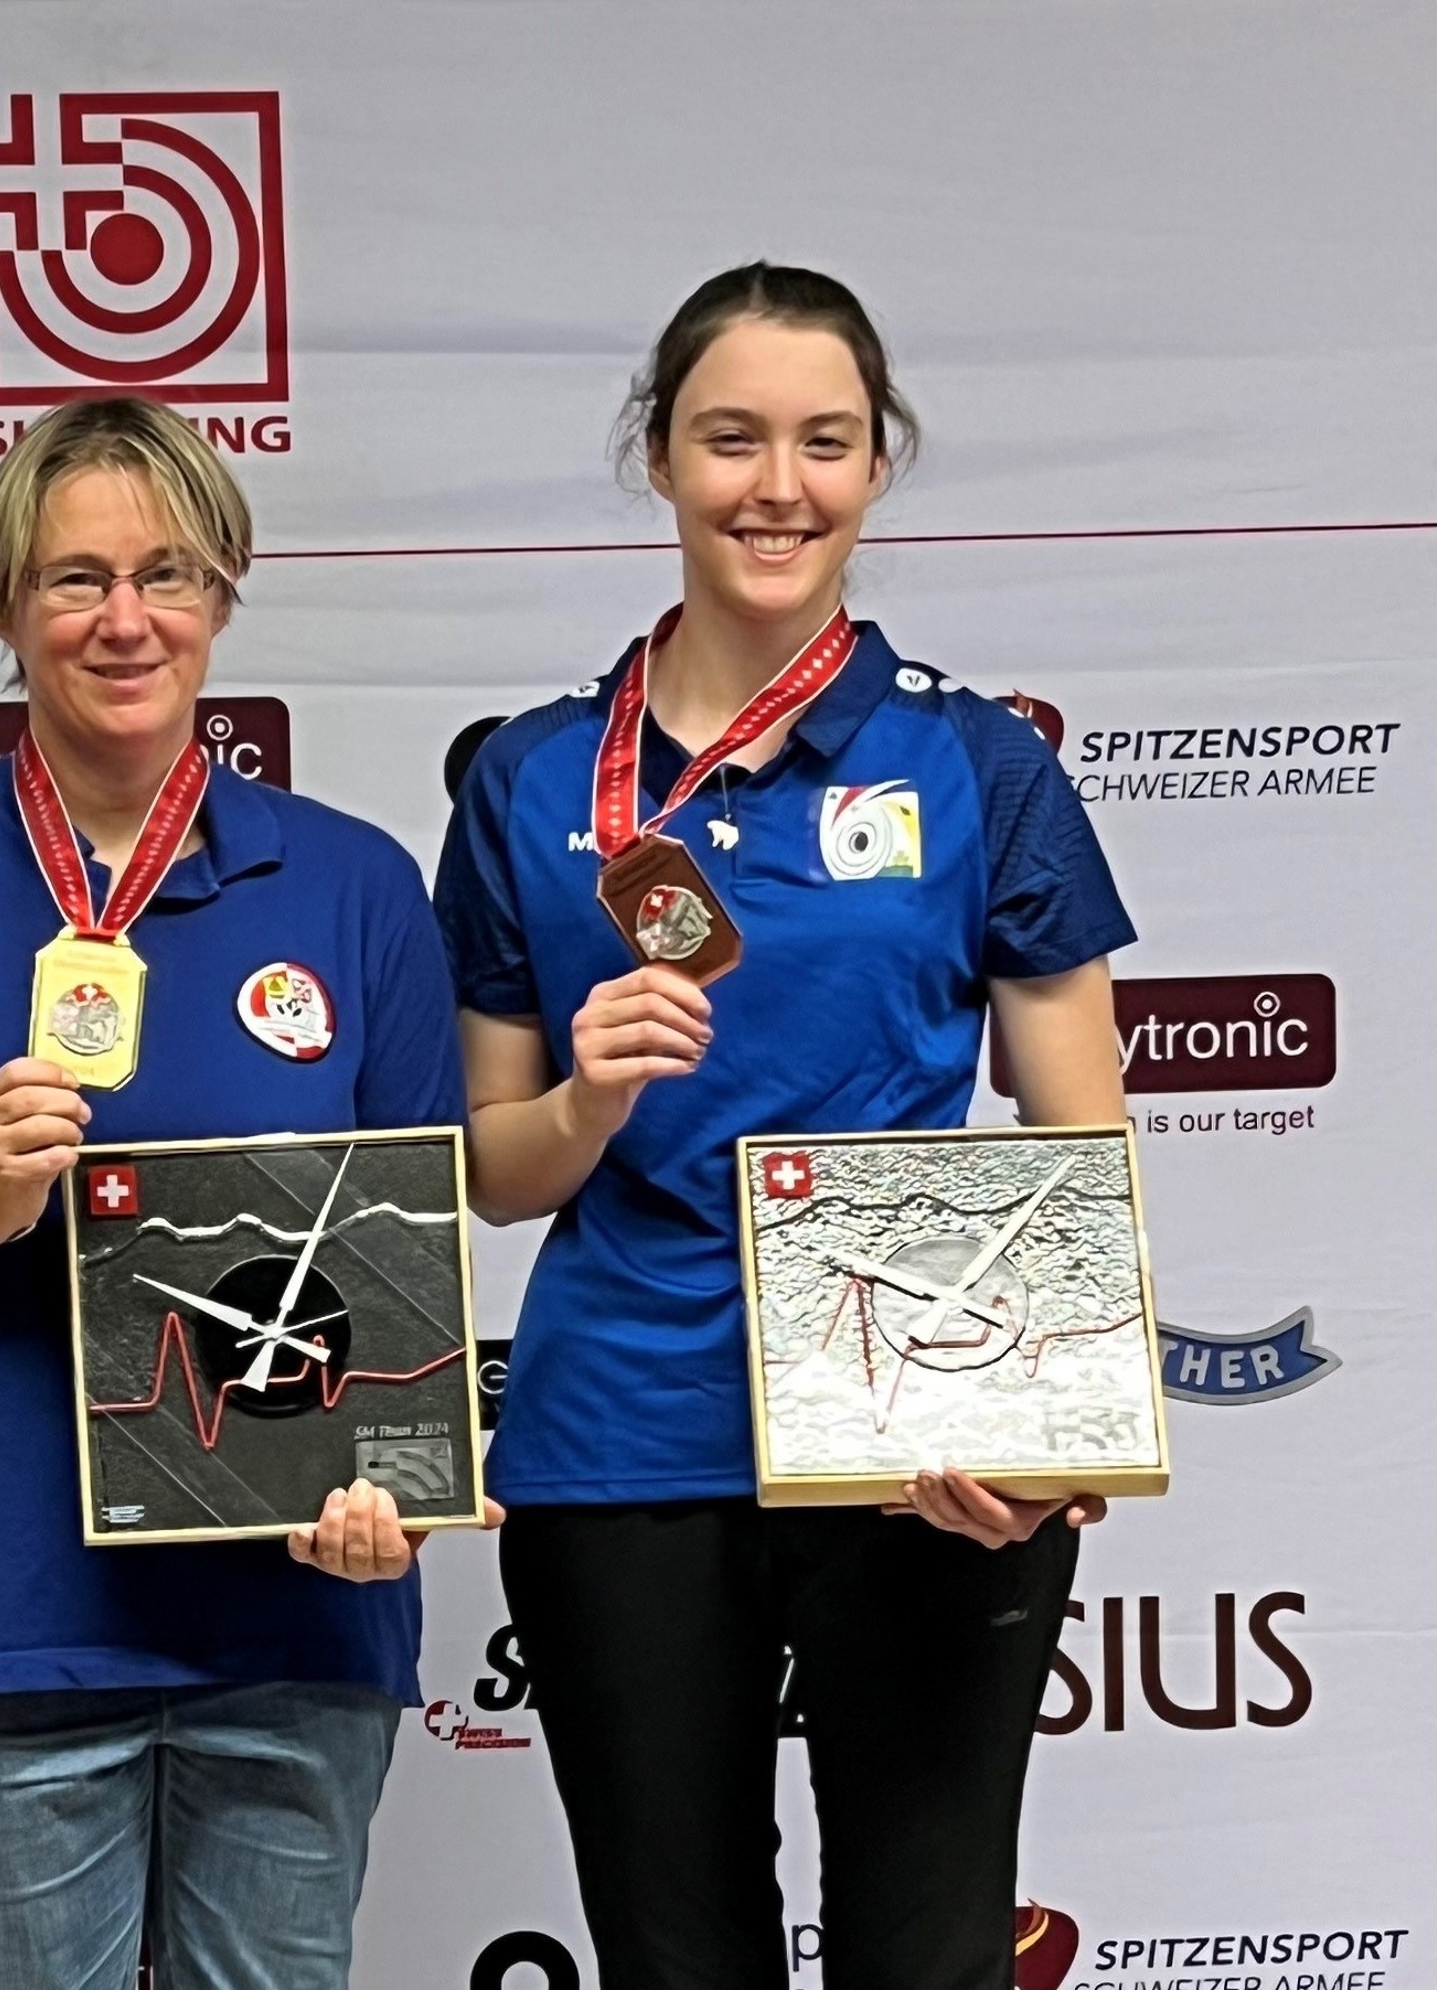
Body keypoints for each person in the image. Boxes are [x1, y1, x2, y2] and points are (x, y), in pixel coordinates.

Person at [435, 263, 1133, 1990]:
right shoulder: (530, 780)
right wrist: (589, 1092)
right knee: (678, 1963)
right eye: (729, 437)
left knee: (926, 1950)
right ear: (658, 459)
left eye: (822, 441)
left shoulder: (978, 764)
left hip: (924, 1438)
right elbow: (494, 1172)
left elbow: (1077, 1144)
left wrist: (1057, 1436)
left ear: (874, 465)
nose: (776, 484)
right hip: (623, 1439)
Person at [0, 397, 469, 1990]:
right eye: (74, 578)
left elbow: (410, 1271)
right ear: (1, 603)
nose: (124, 618)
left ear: (223, 592)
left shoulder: (352, 883)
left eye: (167, 572)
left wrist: (390, 1493)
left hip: (289, 1627)